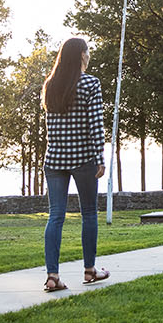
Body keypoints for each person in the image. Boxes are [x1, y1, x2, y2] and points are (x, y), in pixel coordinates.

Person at [41, 36, 109, 292]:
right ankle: (90, 270)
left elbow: (51, 127)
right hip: (82, 158)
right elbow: (95, 126)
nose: (90, 55)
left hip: (55, 158)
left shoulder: (50, 85)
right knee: (88, 213)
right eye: (88, 51)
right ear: (81, 55)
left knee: (55, 215)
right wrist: (99, 159)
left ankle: (52, 276)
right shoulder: (91, 84)